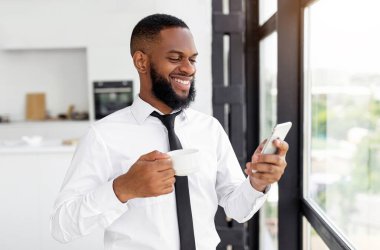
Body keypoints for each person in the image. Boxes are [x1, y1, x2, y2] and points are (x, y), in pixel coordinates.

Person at [50, 14, 289, 250]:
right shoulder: (103, 135)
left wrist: (257, 182)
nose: (188, 69)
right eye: (175, 58)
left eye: (192, 59)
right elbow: (62, 226)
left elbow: (237, 209)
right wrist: (122, 188)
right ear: (141, 62)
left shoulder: (209, 129)